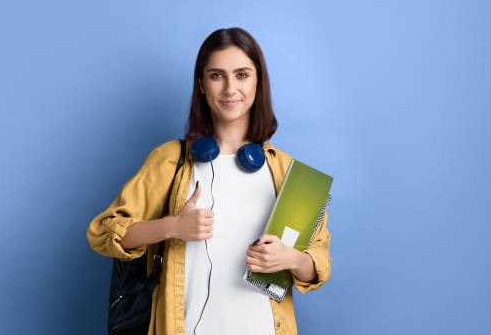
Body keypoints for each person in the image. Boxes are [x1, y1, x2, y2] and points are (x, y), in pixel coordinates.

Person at [87, 27, 332, 335]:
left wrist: (291, 258)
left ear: (259, 81)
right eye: (217, 75)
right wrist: (172, 227)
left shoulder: (289, 173)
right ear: (201, 84)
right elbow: (103, 233)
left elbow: (318, 266)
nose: (230, 88)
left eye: (242, 74)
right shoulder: (169, 161)